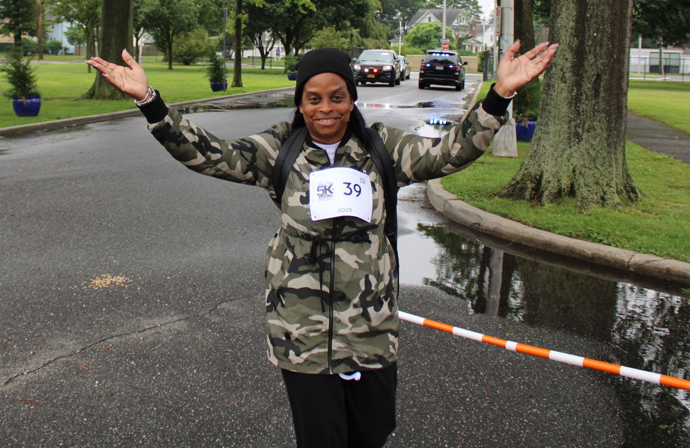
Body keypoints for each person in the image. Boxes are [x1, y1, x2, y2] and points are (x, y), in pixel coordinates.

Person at [87, 40, 557, 448]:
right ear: (301, 102)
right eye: (313, 98)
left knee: (373, 431)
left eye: (337, 96)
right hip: (302, 332)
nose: (325, 108)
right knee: (322, 439)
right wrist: (149, 101)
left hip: (369, 324)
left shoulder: (381, 148)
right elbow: (208, 153)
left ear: (352, 99)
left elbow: (449, 152)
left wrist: (499, 95)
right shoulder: (281, 149)